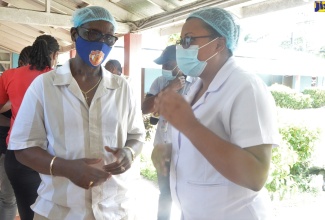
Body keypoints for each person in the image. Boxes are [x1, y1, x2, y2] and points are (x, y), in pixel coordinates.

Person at [7, 6, 145, 220]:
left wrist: (129, 152)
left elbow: (137, 135)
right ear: (74, 34)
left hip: (114, 209)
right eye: (93, 33)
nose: (101, 43)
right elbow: (23, 148)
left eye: (109, 38)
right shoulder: (45, 86)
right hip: (59, 209)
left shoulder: (122, 87)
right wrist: (67, 168)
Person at [152, 7, 279, 220]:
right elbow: (201, 148)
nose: (181, 48)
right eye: (181, 41)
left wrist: (189, 125)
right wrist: (169, 153)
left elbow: (255, 175)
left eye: (188, 40)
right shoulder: (196, 88)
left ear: (218, 44)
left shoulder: (246, 86)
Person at [0, 36, 59, 220]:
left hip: (18, 153)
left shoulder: (9, 75)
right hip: (51, 153)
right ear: (55, 55)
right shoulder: (57, 78)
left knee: (27, 211)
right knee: (54, 210)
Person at [142, 45, 196, 220]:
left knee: (187, 195)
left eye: (168, 64)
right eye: (162, 65)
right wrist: (169, 89)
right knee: (165, 193)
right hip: (162, 148)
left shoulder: (195, 84)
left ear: (180, 64)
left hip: (186, 150)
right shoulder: (159, 82)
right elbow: (145, 108)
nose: (164, 68)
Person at [0, 45, 32, 220]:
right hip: (7, 149)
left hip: (15, 148)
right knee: (9, 198)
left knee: (10, 198)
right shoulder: (10, 82)